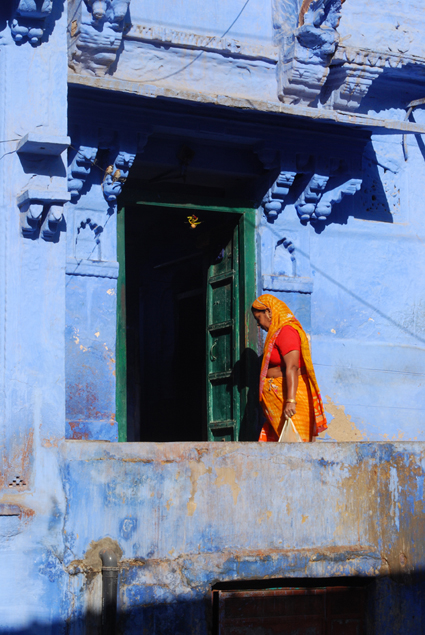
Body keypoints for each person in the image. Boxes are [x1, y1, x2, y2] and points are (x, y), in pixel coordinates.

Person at [251, 294, 327, 442]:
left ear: (268, 312)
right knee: (282, 444)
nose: (258, 325)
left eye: (258, 318)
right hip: (277, 397)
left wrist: (290, 400)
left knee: (295, 441)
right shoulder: (276, 332)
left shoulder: (286, 331)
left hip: (289, 396)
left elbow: (292, 366)